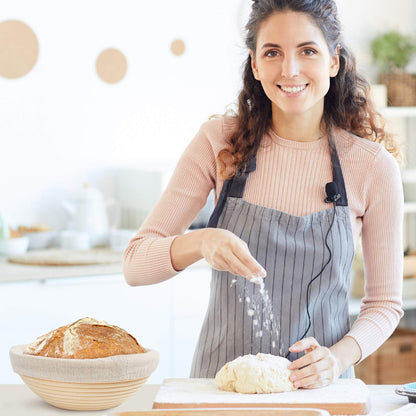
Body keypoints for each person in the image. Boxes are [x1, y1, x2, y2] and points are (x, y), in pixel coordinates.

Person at [123, 0, 404, 389]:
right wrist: (200, 242)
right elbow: (135, 264)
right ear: (255, 65)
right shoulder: (218, 143)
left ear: (334, 61)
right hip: (218, 392)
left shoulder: (372, 167)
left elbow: (385, 304)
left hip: (319, 392)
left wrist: (337, 358)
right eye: (273, 53)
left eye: (307, 51)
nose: (289, 70)